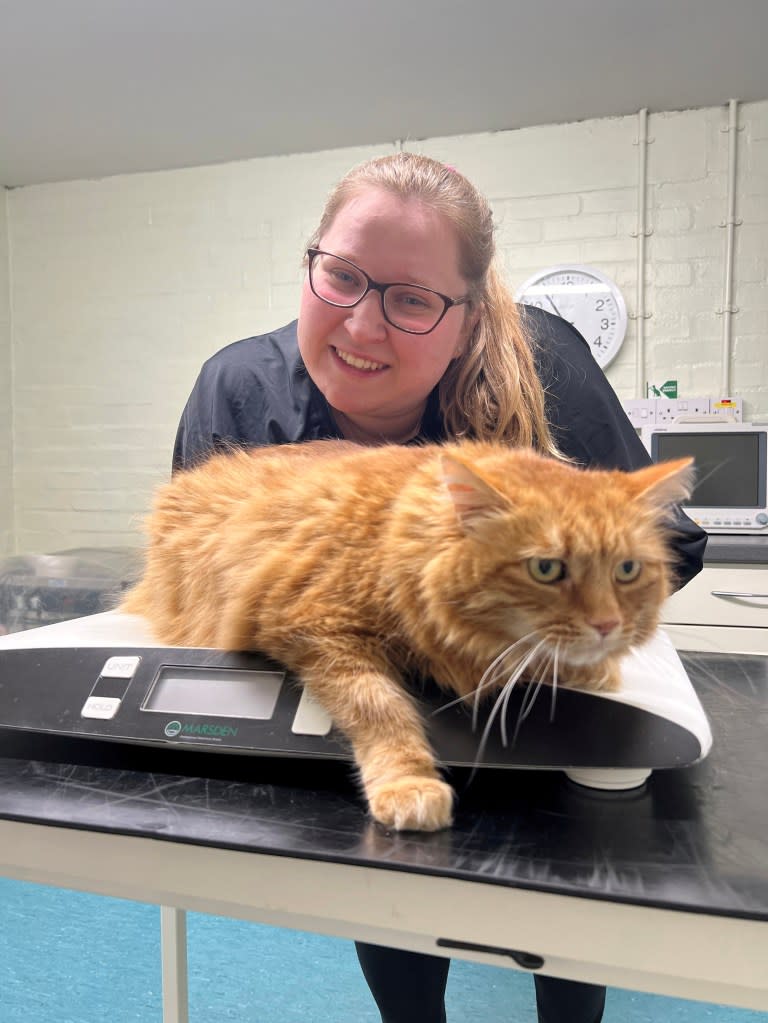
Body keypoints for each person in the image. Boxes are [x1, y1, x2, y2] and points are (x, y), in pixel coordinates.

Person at [173, 152, 707, 1023]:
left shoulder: (545, 363)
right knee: (395, 884)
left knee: (563, 902)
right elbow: (208, 580)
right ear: (311, 260)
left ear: (465, 316)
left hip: (541, 687)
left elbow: (668, 539)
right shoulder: (241, 390)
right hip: (356, 691)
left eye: (412, 298)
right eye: (340, 275)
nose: (361, 325)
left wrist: (558, 622)